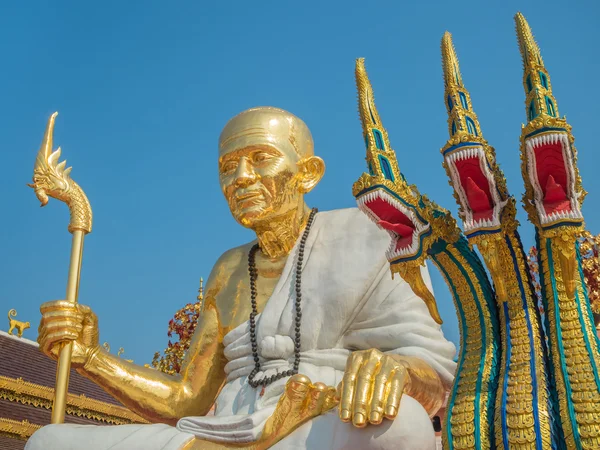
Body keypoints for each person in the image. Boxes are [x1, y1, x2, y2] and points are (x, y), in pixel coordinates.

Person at [27, 107, 456, 450]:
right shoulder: (229, 269)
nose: (241, 178)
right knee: (49, 441)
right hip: (222, 430)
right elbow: (188, 400)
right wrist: (89, 357)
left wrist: (395, 369)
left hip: (318, 424)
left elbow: (433, 371)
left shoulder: (366, 236)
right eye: (228, 167)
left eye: (261, 158)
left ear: (308, 172)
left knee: (402, 427)